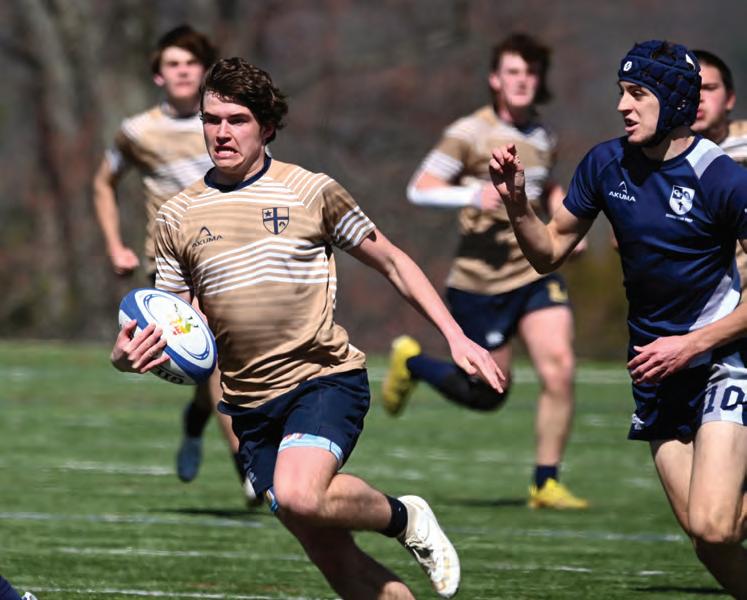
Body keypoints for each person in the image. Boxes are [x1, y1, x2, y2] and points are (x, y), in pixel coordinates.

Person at [110, 57, 504, 599]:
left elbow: (393, 262)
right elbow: (181, 327)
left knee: (300, 495)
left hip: (322, 379)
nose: (221, 132)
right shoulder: (177, 215)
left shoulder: (311, 191)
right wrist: (131, 357)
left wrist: (456, 336)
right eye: (211, 119)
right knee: (329, 551)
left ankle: (404, 516)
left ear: (267, 126)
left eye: (237, 120)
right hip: (249, 406)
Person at [490, 39, 747, 597]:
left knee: (714, 523)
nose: (622, 106)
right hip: (655, 368)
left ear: (672, 101)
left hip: (722, 358)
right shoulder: (606, 163)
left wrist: (691, 344)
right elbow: (548, 252)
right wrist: (517, 204)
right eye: (621, 92)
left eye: (637, 94)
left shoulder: (721, 178)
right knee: (705, 537)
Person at [384, 32, 587, 509]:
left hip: (533, 272)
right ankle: (412, 362)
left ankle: (546, 482)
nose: (522, 81)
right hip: (479, 283)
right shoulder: (468, 132)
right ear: (495, 79)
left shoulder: (543, 135)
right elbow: (419, 188)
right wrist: (472, 194)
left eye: (531, 73)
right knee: (488, 393)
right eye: (513, 72)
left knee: (560, 365)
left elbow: (545, 186)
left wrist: (567, 223)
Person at [91, 25, 251, 500]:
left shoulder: (228, 123)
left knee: (216, 365)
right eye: (172, 64)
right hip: (170, 263)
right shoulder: (138, 131)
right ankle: (248, 467)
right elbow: (103, 183)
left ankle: (196, 419)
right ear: (158, 75)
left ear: (204, 72)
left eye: (190, 63)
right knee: (215, 362)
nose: (182, 72)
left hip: (229, 258)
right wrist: (114, 245)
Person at [691, 49, 747, 294]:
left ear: (730, 99)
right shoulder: (657, 155)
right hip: (693, 300)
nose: (698, 97)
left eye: (709, 88)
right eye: (690, 88)